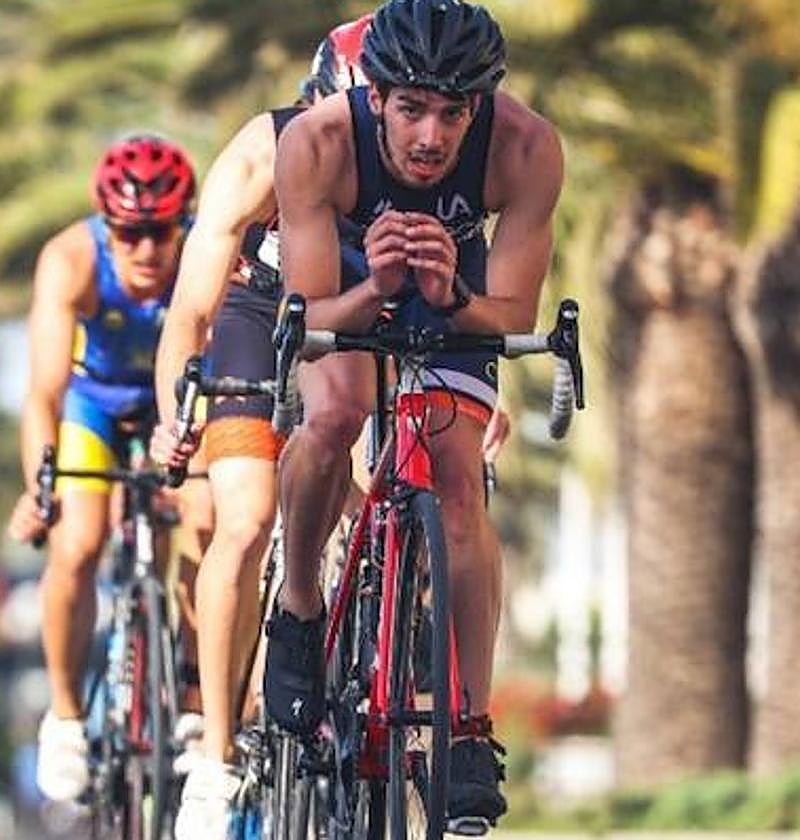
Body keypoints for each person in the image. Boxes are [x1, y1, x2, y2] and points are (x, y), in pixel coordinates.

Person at [266, 0, 564, 826]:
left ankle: (467, 727)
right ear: (376, 95)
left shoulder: (527, 148)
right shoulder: (317, 142)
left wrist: (452, 296)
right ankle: (298, 607)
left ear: (482, 105)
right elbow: (312, 315)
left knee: (460, 486)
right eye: (411, 110)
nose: (431, 136)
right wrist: (377, 288)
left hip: (452, 284)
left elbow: (512, 313)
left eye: (453, 112)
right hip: (347, 280)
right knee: (334, 416)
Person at [150, 18, 370, 838]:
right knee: (243, 519)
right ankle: (216, 754)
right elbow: (193, 309)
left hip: (362, 314)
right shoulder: (259, 151)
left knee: (390, 486)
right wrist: (180, 404)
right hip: (259, 312)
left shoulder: (422, 153)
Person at [5, 134, 211, 803]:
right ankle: (65, 716)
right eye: (129, 234)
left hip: (172, 406)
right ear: (106, 225)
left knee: (210, 519)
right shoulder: (69, 261)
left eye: (162, 233)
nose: (147, 251)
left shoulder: (209, 255)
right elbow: (43, 392)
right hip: (92, 407)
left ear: (185, 222)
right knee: (78, 543)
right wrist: (41, 483)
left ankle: (189, 679)